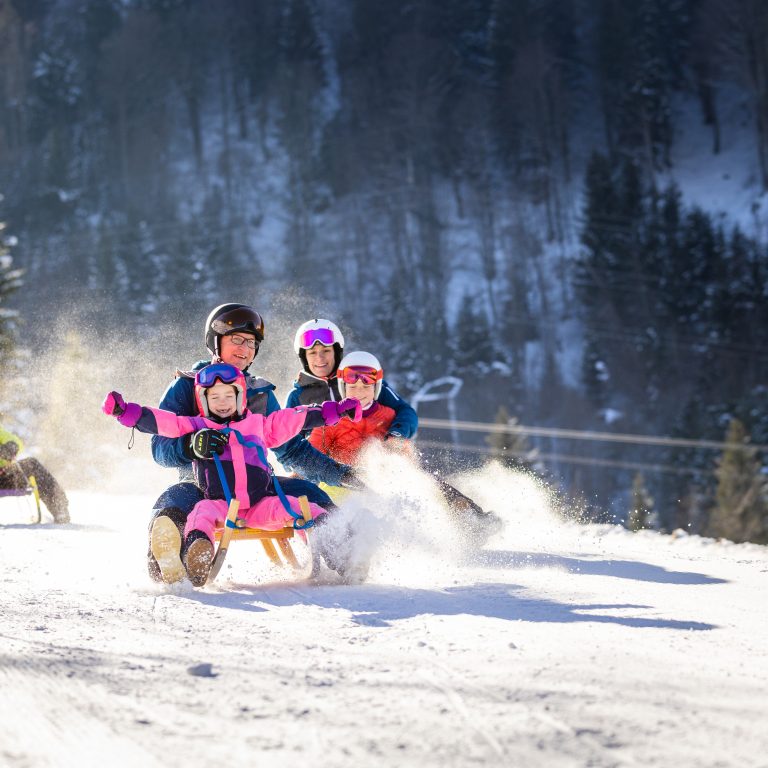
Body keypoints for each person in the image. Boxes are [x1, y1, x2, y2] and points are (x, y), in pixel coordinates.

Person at [147, 303, 354, 584]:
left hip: (258, 488)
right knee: (175, 499)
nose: (245, 349)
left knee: (307, 491)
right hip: (205, 487)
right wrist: (190, 446)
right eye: (237, 340)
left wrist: (344, 475)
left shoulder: (259, 393)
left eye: (252, 343)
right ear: (215, 341)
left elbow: (292, 449)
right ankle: (171, 558)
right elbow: (160, 447)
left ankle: (347, 556)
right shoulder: (187, 386)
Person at [104, 363, 362, 585]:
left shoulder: (259, 425)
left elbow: (296, 418)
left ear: (240, 397)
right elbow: (164, 422)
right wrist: (126, 412)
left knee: (302, 508)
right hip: (220, 504)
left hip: (262, 503)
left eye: (229, 396)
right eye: (214, 398)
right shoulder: (197, 426)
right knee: (199, 514)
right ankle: (199, 554)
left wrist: (336, 411)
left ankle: (343, 554)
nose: (223, 403)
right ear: (204, 401)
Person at [307, 351, 502, 539]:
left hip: (385, 484)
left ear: (376, 388)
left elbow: (406, 455)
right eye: (353, 387)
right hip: (342, 482)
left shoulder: (389, 416)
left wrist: (397, 446)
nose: (359, 393)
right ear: (342, 388)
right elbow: (312, 456)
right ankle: (340, 536)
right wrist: (304, 478)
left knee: (431, 486)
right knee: (327, 499)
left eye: (366, 387)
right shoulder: (329, 420)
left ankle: (470, 520)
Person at [286, 319, 418, 440]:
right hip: (320, 461)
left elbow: (406, 412)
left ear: (336, 353)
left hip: (370, 455)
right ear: (304, 358)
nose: (320, 358)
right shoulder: (298, 397)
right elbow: (288, 444)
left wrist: (396, 434)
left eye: (326, 351)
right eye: (312, 352)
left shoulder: (363, 380)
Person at [0, 425, 70, 523]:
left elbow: (14, 441)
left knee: (31, 464)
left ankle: (59, 509)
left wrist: (12, 446)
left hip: (5, 478)